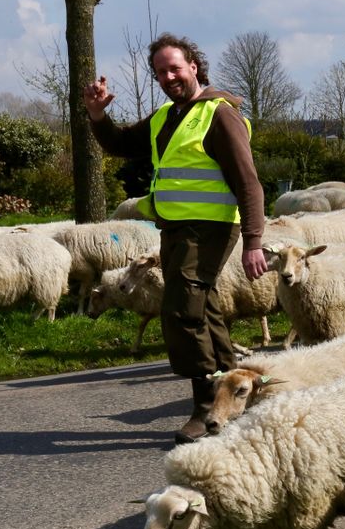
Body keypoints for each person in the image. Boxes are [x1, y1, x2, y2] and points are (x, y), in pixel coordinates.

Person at [82, 33, 267, 445]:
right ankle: (237, 395)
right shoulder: (167, 116)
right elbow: (121, 144)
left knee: (181, 308)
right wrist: (97, 115)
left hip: (212, 226)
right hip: (176, 228)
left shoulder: (220, 115)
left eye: (175, 68)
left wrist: (254, 240)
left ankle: (205, 407)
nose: (169, 77)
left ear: (194, 67)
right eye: (161, 72)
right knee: (204, 308)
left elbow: (248, 182)